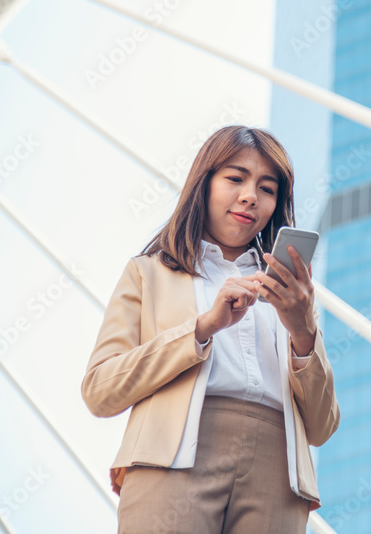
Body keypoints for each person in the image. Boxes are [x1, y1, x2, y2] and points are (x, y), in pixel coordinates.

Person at [81, 125, 340, 533]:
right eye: (235, 178)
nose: (251, 196)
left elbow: (322, 426)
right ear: (203, 185)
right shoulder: (148, 274)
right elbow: (100, 391)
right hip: (173, 460)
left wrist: (303, 331)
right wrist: (202, 328)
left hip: (278, 472)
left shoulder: (292, 294)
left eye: (267, 188)